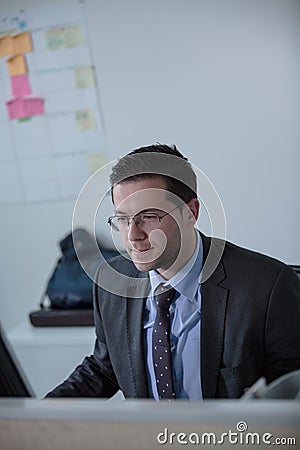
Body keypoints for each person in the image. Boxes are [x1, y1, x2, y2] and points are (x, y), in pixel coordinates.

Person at [46, 144, 300, 399]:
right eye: (122, 219)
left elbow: (291, 390)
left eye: (149, 217)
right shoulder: (110, 282)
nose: (133, 235)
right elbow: (104, 368)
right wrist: (37, 417)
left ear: (191, 213)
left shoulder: (269, 287)